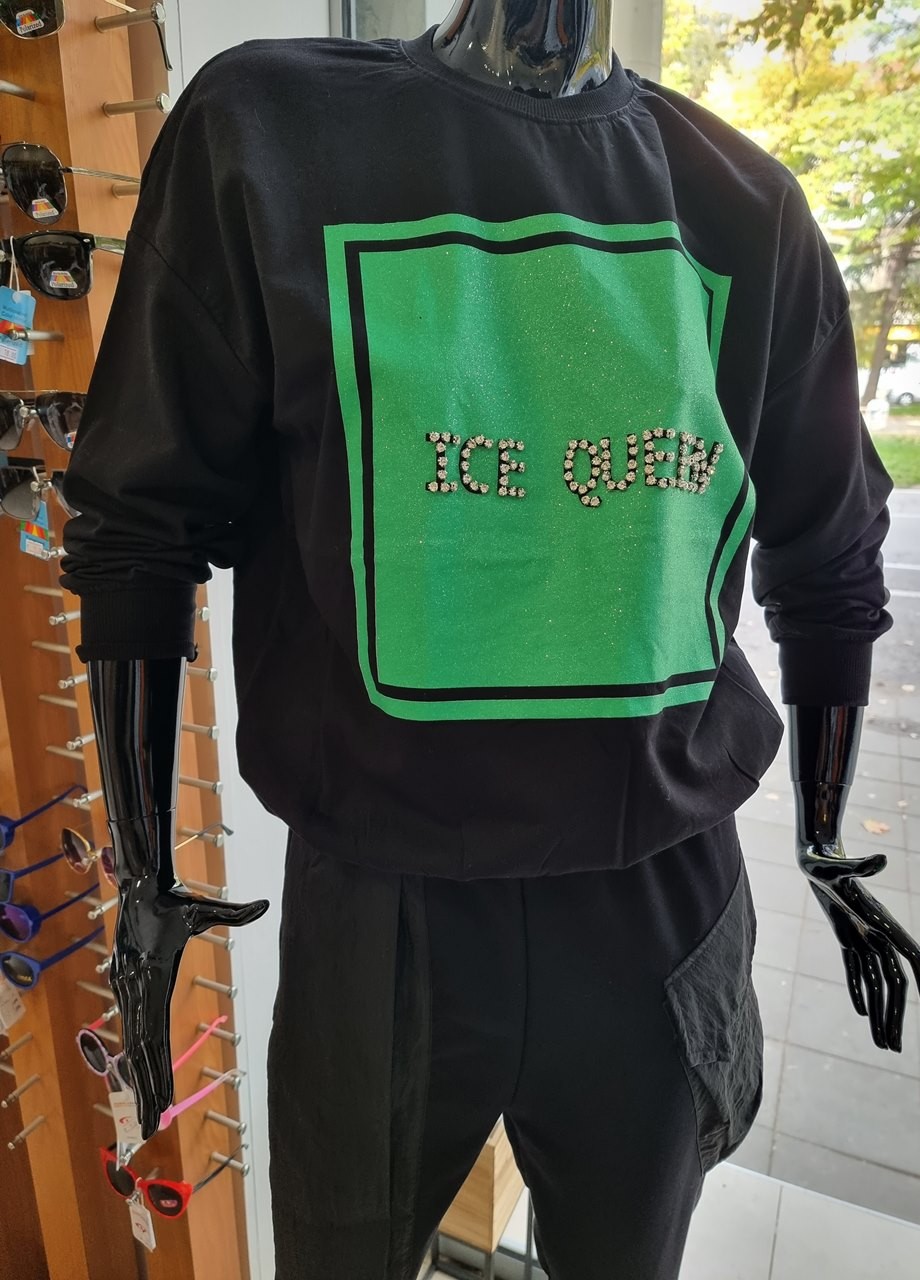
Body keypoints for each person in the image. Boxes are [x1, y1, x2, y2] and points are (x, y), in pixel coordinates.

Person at [60, 1, 918, 1276]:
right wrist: (143, 872)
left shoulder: (742, 207)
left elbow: (828, 553)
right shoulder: (270, 138)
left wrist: (826, 840)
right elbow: (137, 524)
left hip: (657, 899)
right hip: (380, 899)